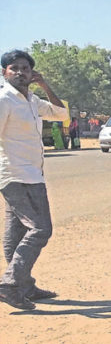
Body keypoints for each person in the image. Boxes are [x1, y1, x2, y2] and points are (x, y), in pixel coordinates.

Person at [0, 50, 68, 310]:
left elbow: (61, 114)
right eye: (14, 68)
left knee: (16, 234)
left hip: (31, 173)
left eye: (25, 68)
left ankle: (25, 286)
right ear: (4, 73)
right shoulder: (4, 99)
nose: (20, 72)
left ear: (32, 73)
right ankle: (10, 284)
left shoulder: (31, 99)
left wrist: (45, 85)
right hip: (17, 175)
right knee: (41, 229)